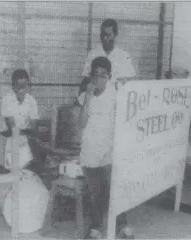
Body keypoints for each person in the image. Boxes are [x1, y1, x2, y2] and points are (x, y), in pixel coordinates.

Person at [78, 56, 134, 239]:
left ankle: (122, 224)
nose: (98, 79)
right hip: (89, 153)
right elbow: (81, 123)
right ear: (90, 77)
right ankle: (96, 228)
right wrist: (87, 97)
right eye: (95, 75)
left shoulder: (115, 95)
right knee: (96, 193)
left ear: (109, 77)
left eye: (103, 75)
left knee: (115, 187)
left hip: (109, 151)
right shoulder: (85, 96)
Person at [77, 18, 136, 98]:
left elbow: (130, 83)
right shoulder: (93, 54)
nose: (105, 38)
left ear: (115, 34)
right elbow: (86, 80)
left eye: (108, 35)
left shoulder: (124, 56)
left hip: (117, 100)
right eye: (103, 35)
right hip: (96, 100)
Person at [0, 69, 40, 169]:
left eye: (25, 86)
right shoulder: (6, 100)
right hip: (7, 140)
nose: (22, 89)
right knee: (10, 169)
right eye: (19, 86)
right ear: (13, 86)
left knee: (25, 169)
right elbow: (11, 128)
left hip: (24, 141)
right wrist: (26, 130)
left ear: (28, 86)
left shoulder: (32, 101)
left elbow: (33, 126)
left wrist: (27, 131)